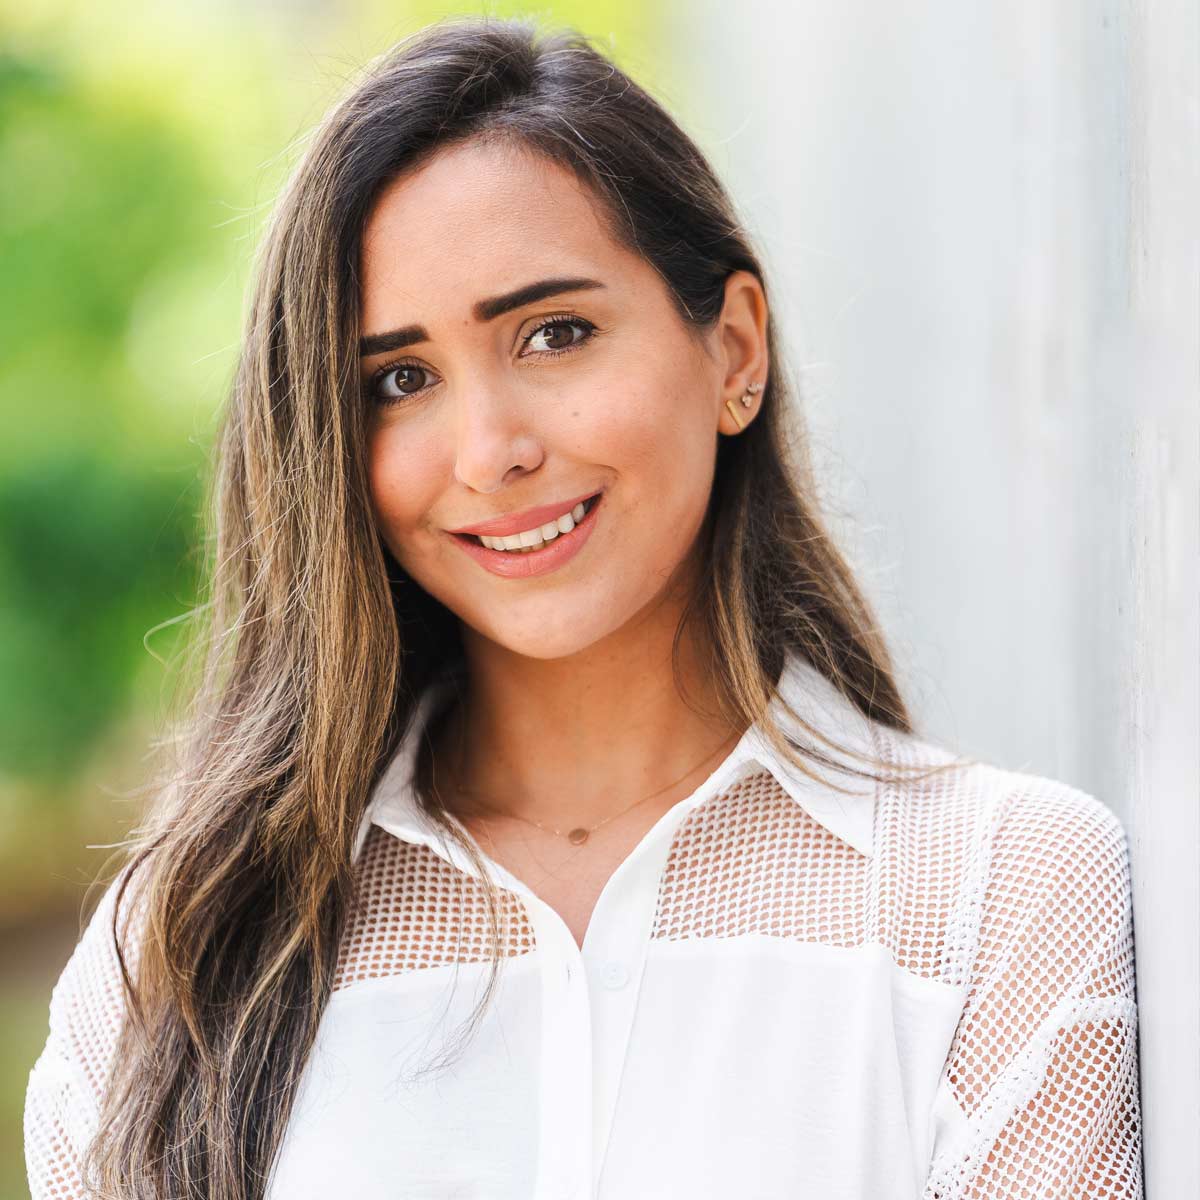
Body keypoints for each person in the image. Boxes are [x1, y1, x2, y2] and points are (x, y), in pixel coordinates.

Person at [24, 15, 1143, 1200]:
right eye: (400, 380)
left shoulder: (998, 895)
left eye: (554, 334)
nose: (491, 449)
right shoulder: (185, 955)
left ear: (736, 352)